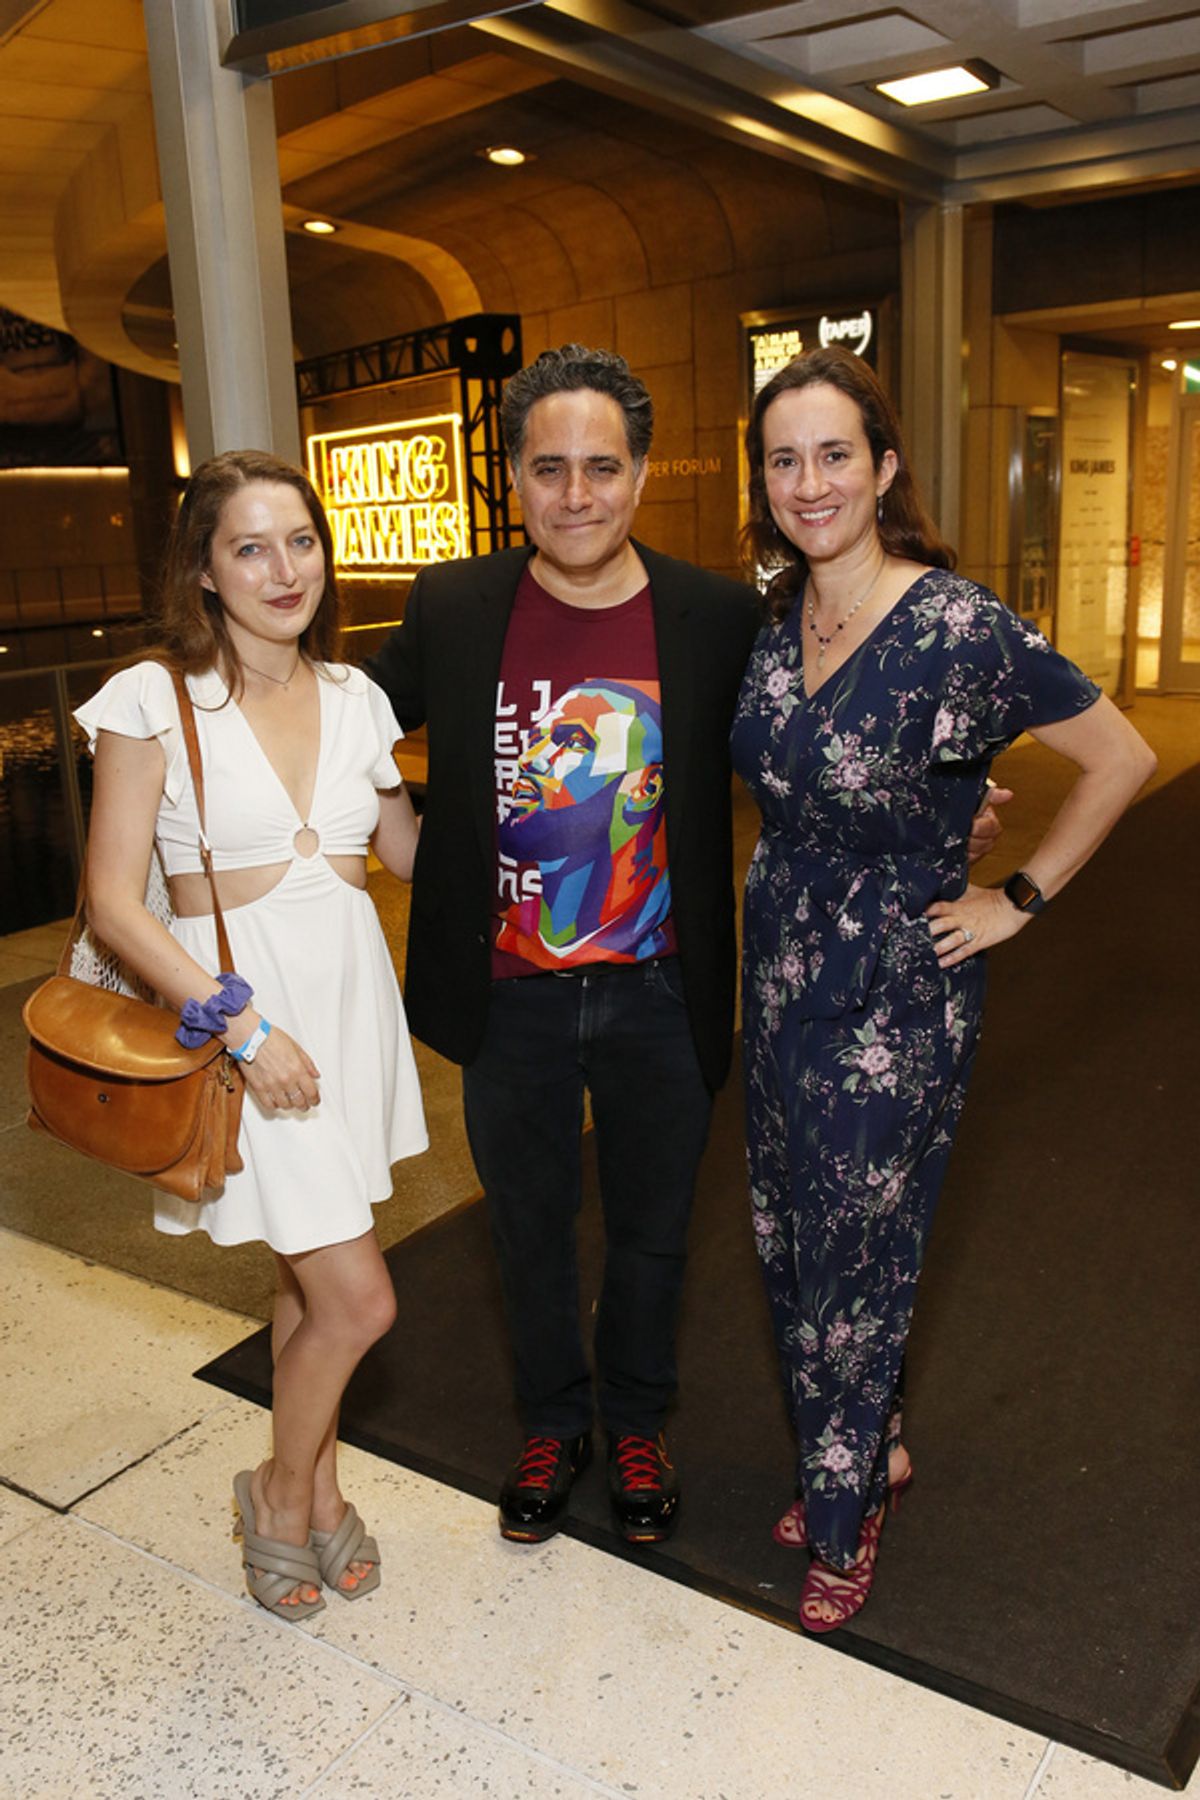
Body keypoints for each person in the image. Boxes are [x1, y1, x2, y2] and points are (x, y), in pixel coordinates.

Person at [731, 347, 1156, 1633]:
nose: (810, 482)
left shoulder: (958, 627)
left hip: (895, 991)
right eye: (785, 458)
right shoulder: (774, 615)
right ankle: (868, 1444)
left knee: (860, 1251)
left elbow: (1119, 756)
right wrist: (953, 806)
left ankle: (847, 1510)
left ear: (885, 466)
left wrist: (1011, 897)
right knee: (791, 1239)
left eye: (835, 454)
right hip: (779, 969)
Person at [367, 346, 764, 1545]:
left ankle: (637, 1419)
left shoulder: (714, 614)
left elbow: (806, 747)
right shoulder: (455, 603)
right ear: (516, 479)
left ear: (641, 476)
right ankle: (555, 1416)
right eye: (551, 467)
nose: (577, 493)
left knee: (650, 1232)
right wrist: (402, 839)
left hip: (659, 991)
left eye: (602, 466)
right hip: (511, 999)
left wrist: (942, 804)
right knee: (525, 1227)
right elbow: (340, 727)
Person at [76, 449, 427, 1621]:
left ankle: (318, 1494)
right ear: (206, 570)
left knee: (304, 1267)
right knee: (358, 1300)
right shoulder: (152, 699)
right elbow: (116, 902)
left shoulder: (357, 699)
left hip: (347, 1019)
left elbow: (412, 855)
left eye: (302, 542)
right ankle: (281, 1494)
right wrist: (241, 1028)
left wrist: (565, 806)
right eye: (251, 547)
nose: (286, 570)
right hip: (246, 1030)